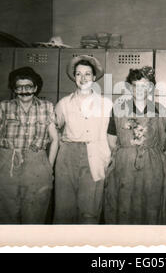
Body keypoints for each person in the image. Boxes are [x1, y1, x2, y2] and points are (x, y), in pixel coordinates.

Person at [0, 66, 58, 224]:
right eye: (19, 87)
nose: (24, 91)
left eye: (29, 87)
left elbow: (55, 139)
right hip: (7, 163)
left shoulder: (47, 107)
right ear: (14, 89)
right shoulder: (4, 107)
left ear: (36, 88)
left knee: (35, 215)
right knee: (5, 215)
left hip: (37, 164)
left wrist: (48, 167)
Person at [104, 66, 166, 224]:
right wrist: (129, 153)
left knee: (150, 207)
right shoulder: (118, 109)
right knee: (123, 206)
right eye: (135, 85)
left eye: (144, 85)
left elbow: (164, 142)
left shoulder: (161, 110)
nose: (139, 89)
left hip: (152, 167)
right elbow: (112, 141)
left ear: (151, 87)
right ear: (129, 87)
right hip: (124, 166)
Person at [53, 55, 112, 224]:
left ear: (94, 77)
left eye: (87, 74)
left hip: (94, 156)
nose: (83, 78)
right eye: (78, 74)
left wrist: (106, 157)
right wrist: (63, 144)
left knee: (90, 210)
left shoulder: (106, 104)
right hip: (67, 157)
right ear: (74, 77)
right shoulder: (64, 103)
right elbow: (54, 129)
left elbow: (111, 134)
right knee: (64, 208)